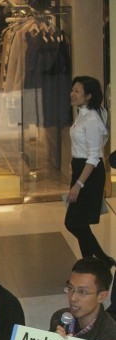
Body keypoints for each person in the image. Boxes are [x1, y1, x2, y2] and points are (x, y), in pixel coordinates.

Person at [63, 76, 114, 267]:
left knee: (74, 222)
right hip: (81, 169)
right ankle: (92, 263)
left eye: (77, 91)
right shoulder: (84, 114)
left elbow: (94, 156)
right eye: (72, 90)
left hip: (89, 174)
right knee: (79, 222)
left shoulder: (91, 119)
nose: (72, 94)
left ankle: (98, 260)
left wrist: (79, 184)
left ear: (88, 95)